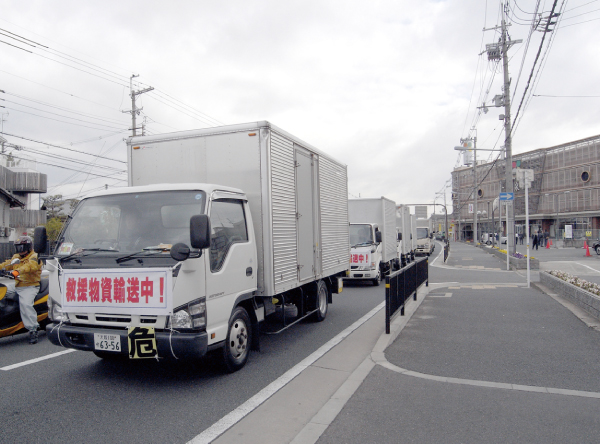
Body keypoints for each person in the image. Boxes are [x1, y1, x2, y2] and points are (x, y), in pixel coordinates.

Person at [0, 236, 42, 344]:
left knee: (26, 304)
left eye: (22, 247)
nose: (20, 250)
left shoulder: (35, 256)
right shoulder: (16, 257)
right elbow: (9, 263)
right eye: (18, 248)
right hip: (17, 285)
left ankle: (33, 329)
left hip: (30, 286)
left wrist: (17, 272)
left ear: (28, 247)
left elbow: (29, 267)